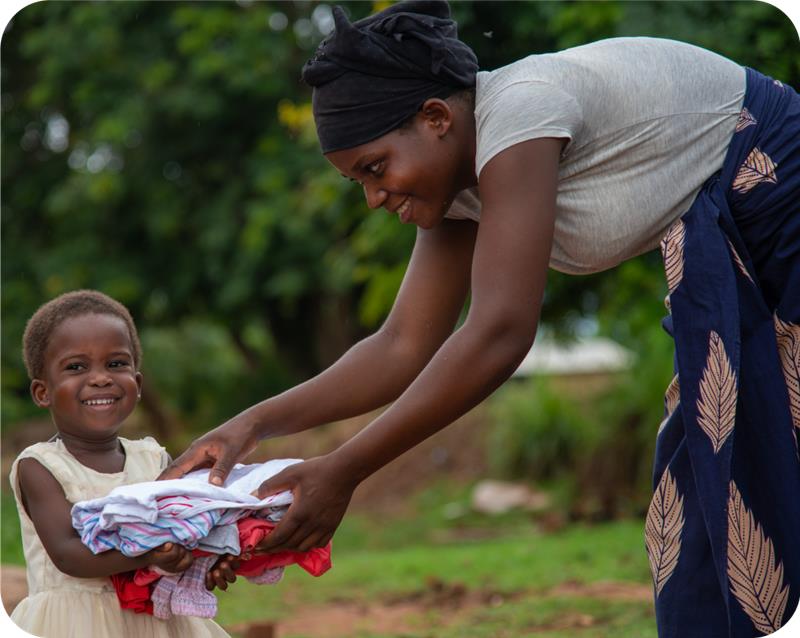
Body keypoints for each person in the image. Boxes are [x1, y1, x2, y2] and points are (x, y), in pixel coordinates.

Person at [161, 1, 800, 635]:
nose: (375, 197)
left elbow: (499, 333)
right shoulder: (459, 184)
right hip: (732, 264)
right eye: (358, 181)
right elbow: (401, 346)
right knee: (707, 529)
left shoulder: (521, 112)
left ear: (436, 117)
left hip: (782, 207)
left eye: (376, 168)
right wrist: (251, 425)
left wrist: (346, 468)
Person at [9, 290, 232, 638]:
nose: (100, 378)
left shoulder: (155, 459)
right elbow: (69, 554)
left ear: (137, 384)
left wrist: (208, 560)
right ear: (43, 392)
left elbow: (187, 525)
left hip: (159, 623)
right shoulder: (40, 467)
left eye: (116, 364)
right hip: (73, 624)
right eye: (76, 367)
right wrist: (153, 554)